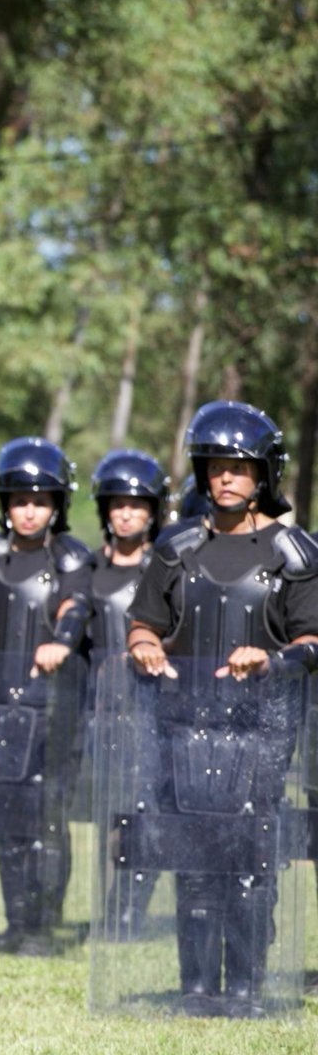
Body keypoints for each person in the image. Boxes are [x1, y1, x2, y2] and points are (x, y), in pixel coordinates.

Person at [125, 401, 318, 1016]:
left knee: (247, 855)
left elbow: (312, 642)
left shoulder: (295, 552)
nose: (226, 477)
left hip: (262, 728)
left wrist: (269, 661)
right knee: (194, 853)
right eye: (215, 466)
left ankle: (247, 987)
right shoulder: (175, 546)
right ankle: (197, 986)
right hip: (182, 723)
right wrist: (147, 647)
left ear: (264, 473)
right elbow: (143, 623)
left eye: (239, 466)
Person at [0, 437, 92, 952]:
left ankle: (43, 922)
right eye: (19, 500)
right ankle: (16, 921)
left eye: (40, 501)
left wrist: (59, 642)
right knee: (4, 816)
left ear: (57, 505)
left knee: (47, 814)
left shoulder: (73, 557)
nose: (29, 511)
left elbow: (75, 606)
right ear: (4, 504)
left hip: (54, 709)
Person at [84, 448, 167, 932]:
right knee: (110, 818)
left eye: (137, 505)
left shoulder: (167, 567)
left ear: (154, 511)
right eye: (117, 505)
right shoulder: (88, 570)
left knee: (147, 816)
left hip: (154, 711)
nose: (127, 513)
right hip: (102, 712)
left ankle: (130, 913)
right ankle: (110, 911)